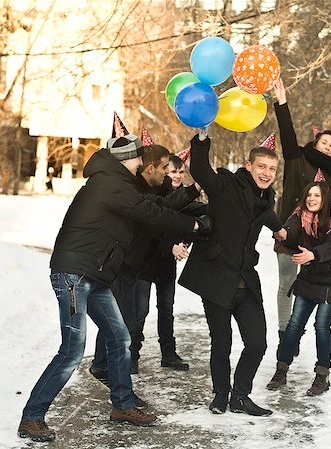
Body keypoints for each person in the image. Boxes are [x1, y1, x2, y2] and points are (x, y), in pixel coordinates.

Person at [18, 134, 207, 442]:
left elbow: (154, 204)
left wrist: (189, 205)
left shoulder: (118, 183)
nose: (141, 163)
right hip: (75, 276)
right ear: (129, 160)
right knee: (72, 350)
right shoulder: (110, 183)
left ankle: (122, 405)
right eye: (138, 158)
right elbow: (151, 214)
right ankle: (32, 417)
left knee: (119, 337)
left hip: (93, 274)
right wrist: (193, 228)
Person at [179, 130, 286, 417]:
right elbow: (200, 169)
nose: (266, 173)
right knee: (222, 341)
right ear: (249, 166)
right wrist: (202, 139)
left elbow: (265, 215)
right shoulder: (225, 185)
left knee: (257, 342)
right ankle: (221, 395)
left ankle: (240, 396)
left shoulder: (266, 198)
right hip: (217, 278)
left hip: (245, 281)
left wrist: (281, 230)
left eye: (272, 169)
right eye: (261, 166)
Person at [267, 77, 331, 390]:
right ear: (315, 144)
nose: (327, 147)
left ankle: (303, 349)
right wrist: (281, 102)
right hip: (291, 231)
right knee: (287, 281)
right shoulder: (297, 158)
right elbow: (287, 133)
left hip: (318, 241)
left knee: (309, 287)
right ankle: (287, 334)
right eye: (324, 142)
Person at [268, 181, 331, 395]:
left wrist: (312, 255)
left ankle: (322, 376)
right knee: (295, 324)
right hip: (310, 277)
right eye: (309, 195)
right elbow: (291, 230)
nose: (312, 199)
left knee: (322, 325)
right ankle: (281, 370)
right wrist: (283, 233)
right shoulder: (299, 215)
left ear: (325, 200)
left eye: (317, 196)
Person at [131, 153, 207, 373]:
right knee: (139, 311)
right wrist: (170, 244)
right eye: (172, 171)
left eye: (181, 172)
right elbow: (151, 226)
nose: (176, 175)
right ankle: (132, 354)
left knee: (167, 309)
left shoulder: (181, 197)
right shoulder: (150, 193)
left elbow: (188, 223)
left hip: (165, 266)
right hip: (144, 263)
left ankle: (169, 354)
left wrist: (183, 242)